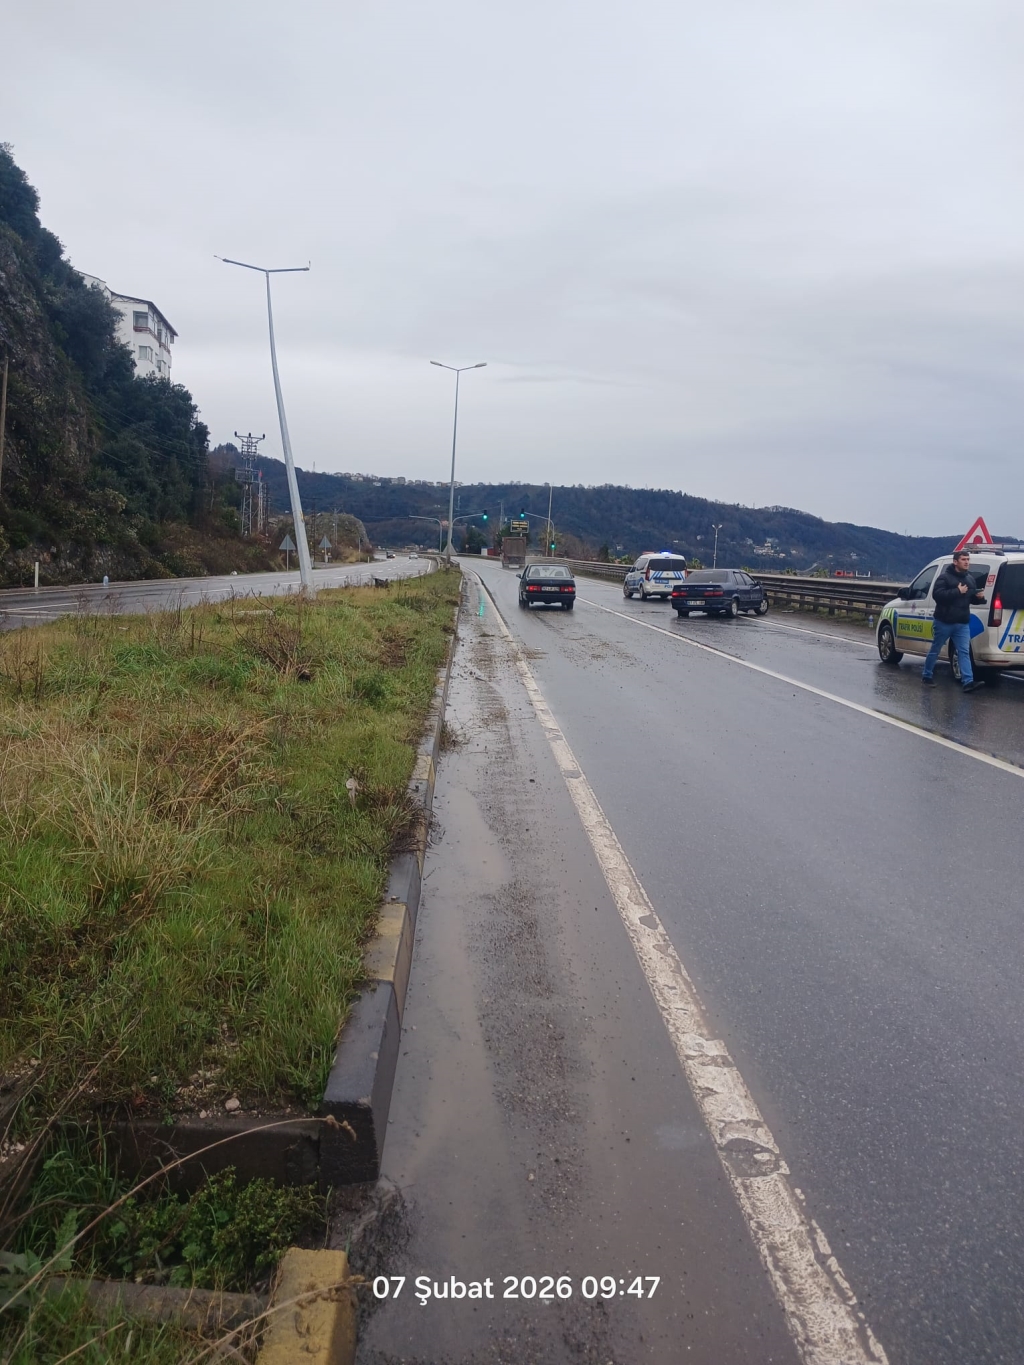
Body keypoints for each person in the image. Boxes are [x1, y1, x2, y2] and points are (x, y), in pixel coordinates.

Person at [922, 550, 986, 691]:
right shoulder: (944, 578)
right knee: (935, 649)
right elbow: (937, 595)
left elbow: (970, 598)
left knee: (964, 652)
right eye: (963, 559)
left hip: (962, 623)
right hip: (944, 621)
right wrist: (957, 591)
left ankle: (968, 682)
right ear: (955, 562)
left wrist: (980, 598)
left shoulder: (970, 579)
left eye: (968, 559)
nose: (967, 562)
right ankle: (927, 676)